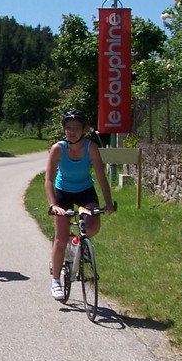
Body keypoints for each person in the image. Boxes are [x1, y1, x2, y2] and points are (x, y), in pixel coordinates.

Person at [45, 110, 115, 301]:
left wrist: (108, 203)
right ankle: (56, 281)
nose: (72, 131)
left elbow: (101, 177)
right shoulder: (58, 149)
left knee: (93, 225)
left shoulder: (91, 147)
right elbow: (48, 179)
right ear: (64, 130)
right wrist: (53, 205)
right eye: (68, 128)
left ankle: (77, 242)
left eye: (76, 128)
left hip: (85, 191)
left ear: (84, 130)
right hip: (63, 192)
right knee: (60, 239)